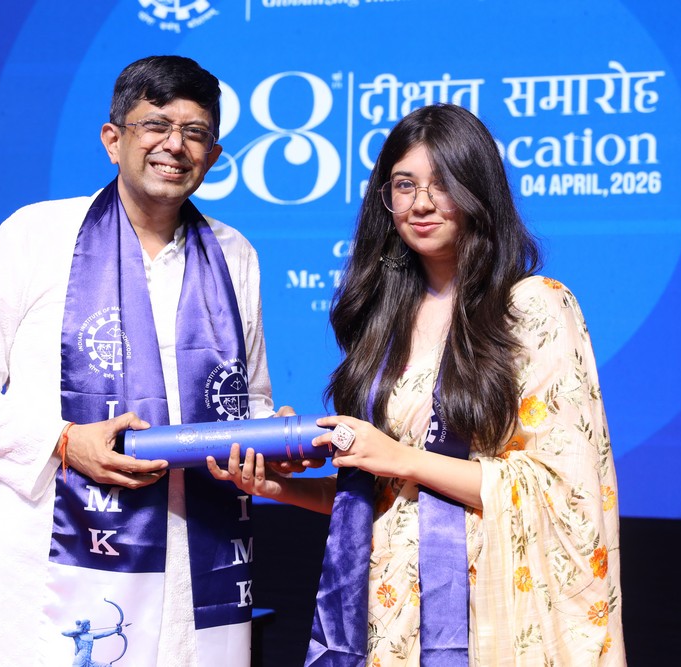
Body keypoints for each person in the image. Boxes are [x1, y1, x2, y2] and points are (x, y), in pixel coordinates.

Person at [209, 104, 625, 665]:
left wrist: (399, 457)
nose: (421, 204)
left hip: (486, 614)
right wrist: (280, 489)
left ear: (479, 191)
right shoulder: (383, 320)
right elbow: (386, 501)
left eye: (442, 184)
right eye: (404, 185)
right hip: (388, 610)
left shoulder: (532, 307)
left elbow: (564, 489)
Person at [0, 55, 276, 667]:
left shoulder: (233, 253)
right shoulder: (36, 234)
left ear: (214, 156)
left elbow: (247, 400)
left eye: (194, 133)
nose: (175, 146)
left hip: (192, 566)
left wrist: (273, 438)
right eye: (156, 125)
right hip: (45, 565)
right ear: (113, 139)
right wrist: (64, 442)